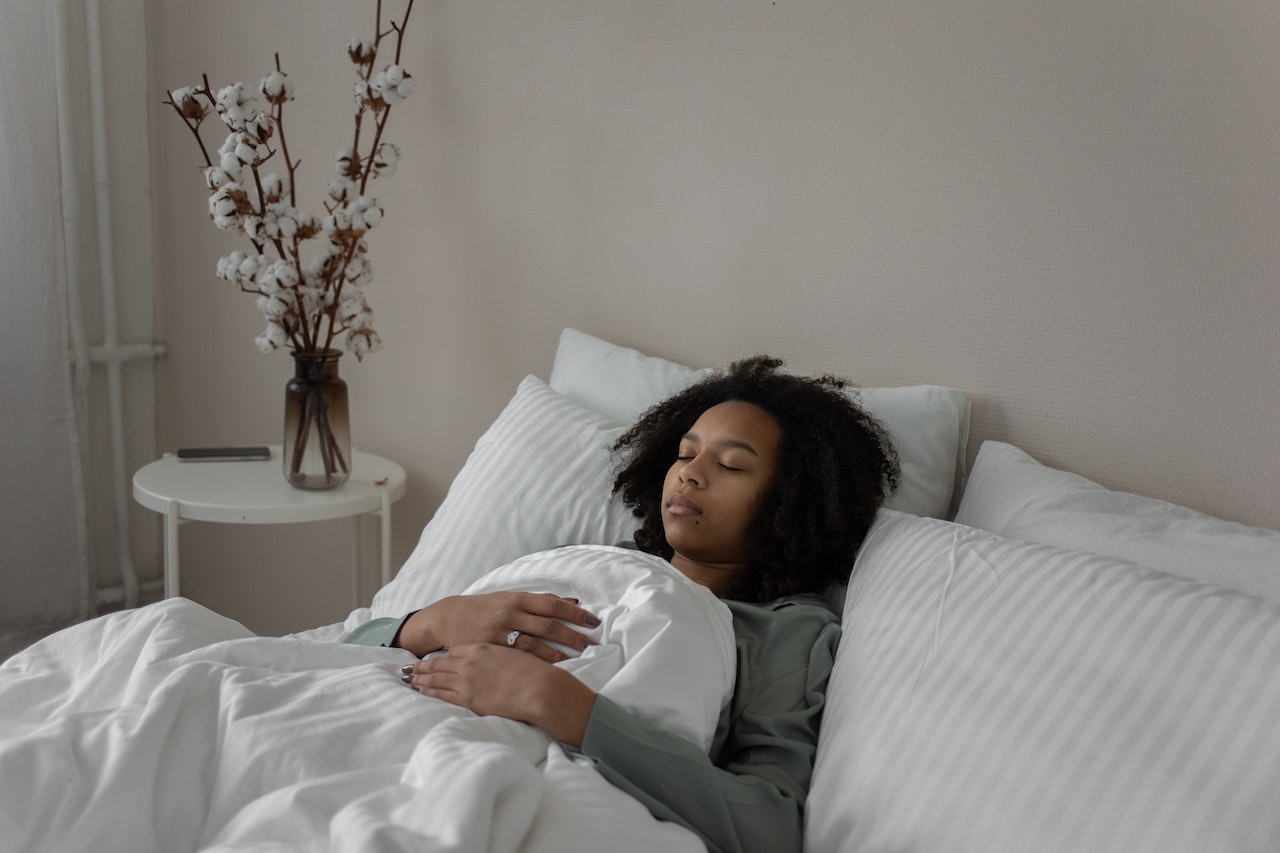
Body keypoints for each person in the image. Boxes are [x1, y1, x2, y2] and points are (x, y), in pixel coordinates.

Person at [344, 355, 900, 853]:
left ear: (792, 502)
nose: (690, 472)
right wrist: (430, 621)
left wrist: (561, 706)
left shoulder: (785, 630)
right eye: (684, 454)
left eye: (729, 465)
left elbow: (769, 826)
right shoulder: (590, 561)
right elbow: (342, 654)